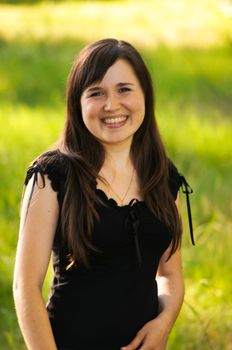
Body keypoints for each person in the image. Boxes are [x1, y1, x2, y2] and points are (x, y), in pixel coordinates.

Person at [13, 38, 194, 350]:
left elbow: (170, 276)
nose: (112, 105)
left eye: (124, 89)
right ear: (77, 103)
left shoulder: (162, 176)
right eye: (96, 93)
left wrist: (163, 325)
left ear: (145, 97)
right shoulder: (52, 176)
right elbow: (25, 287)